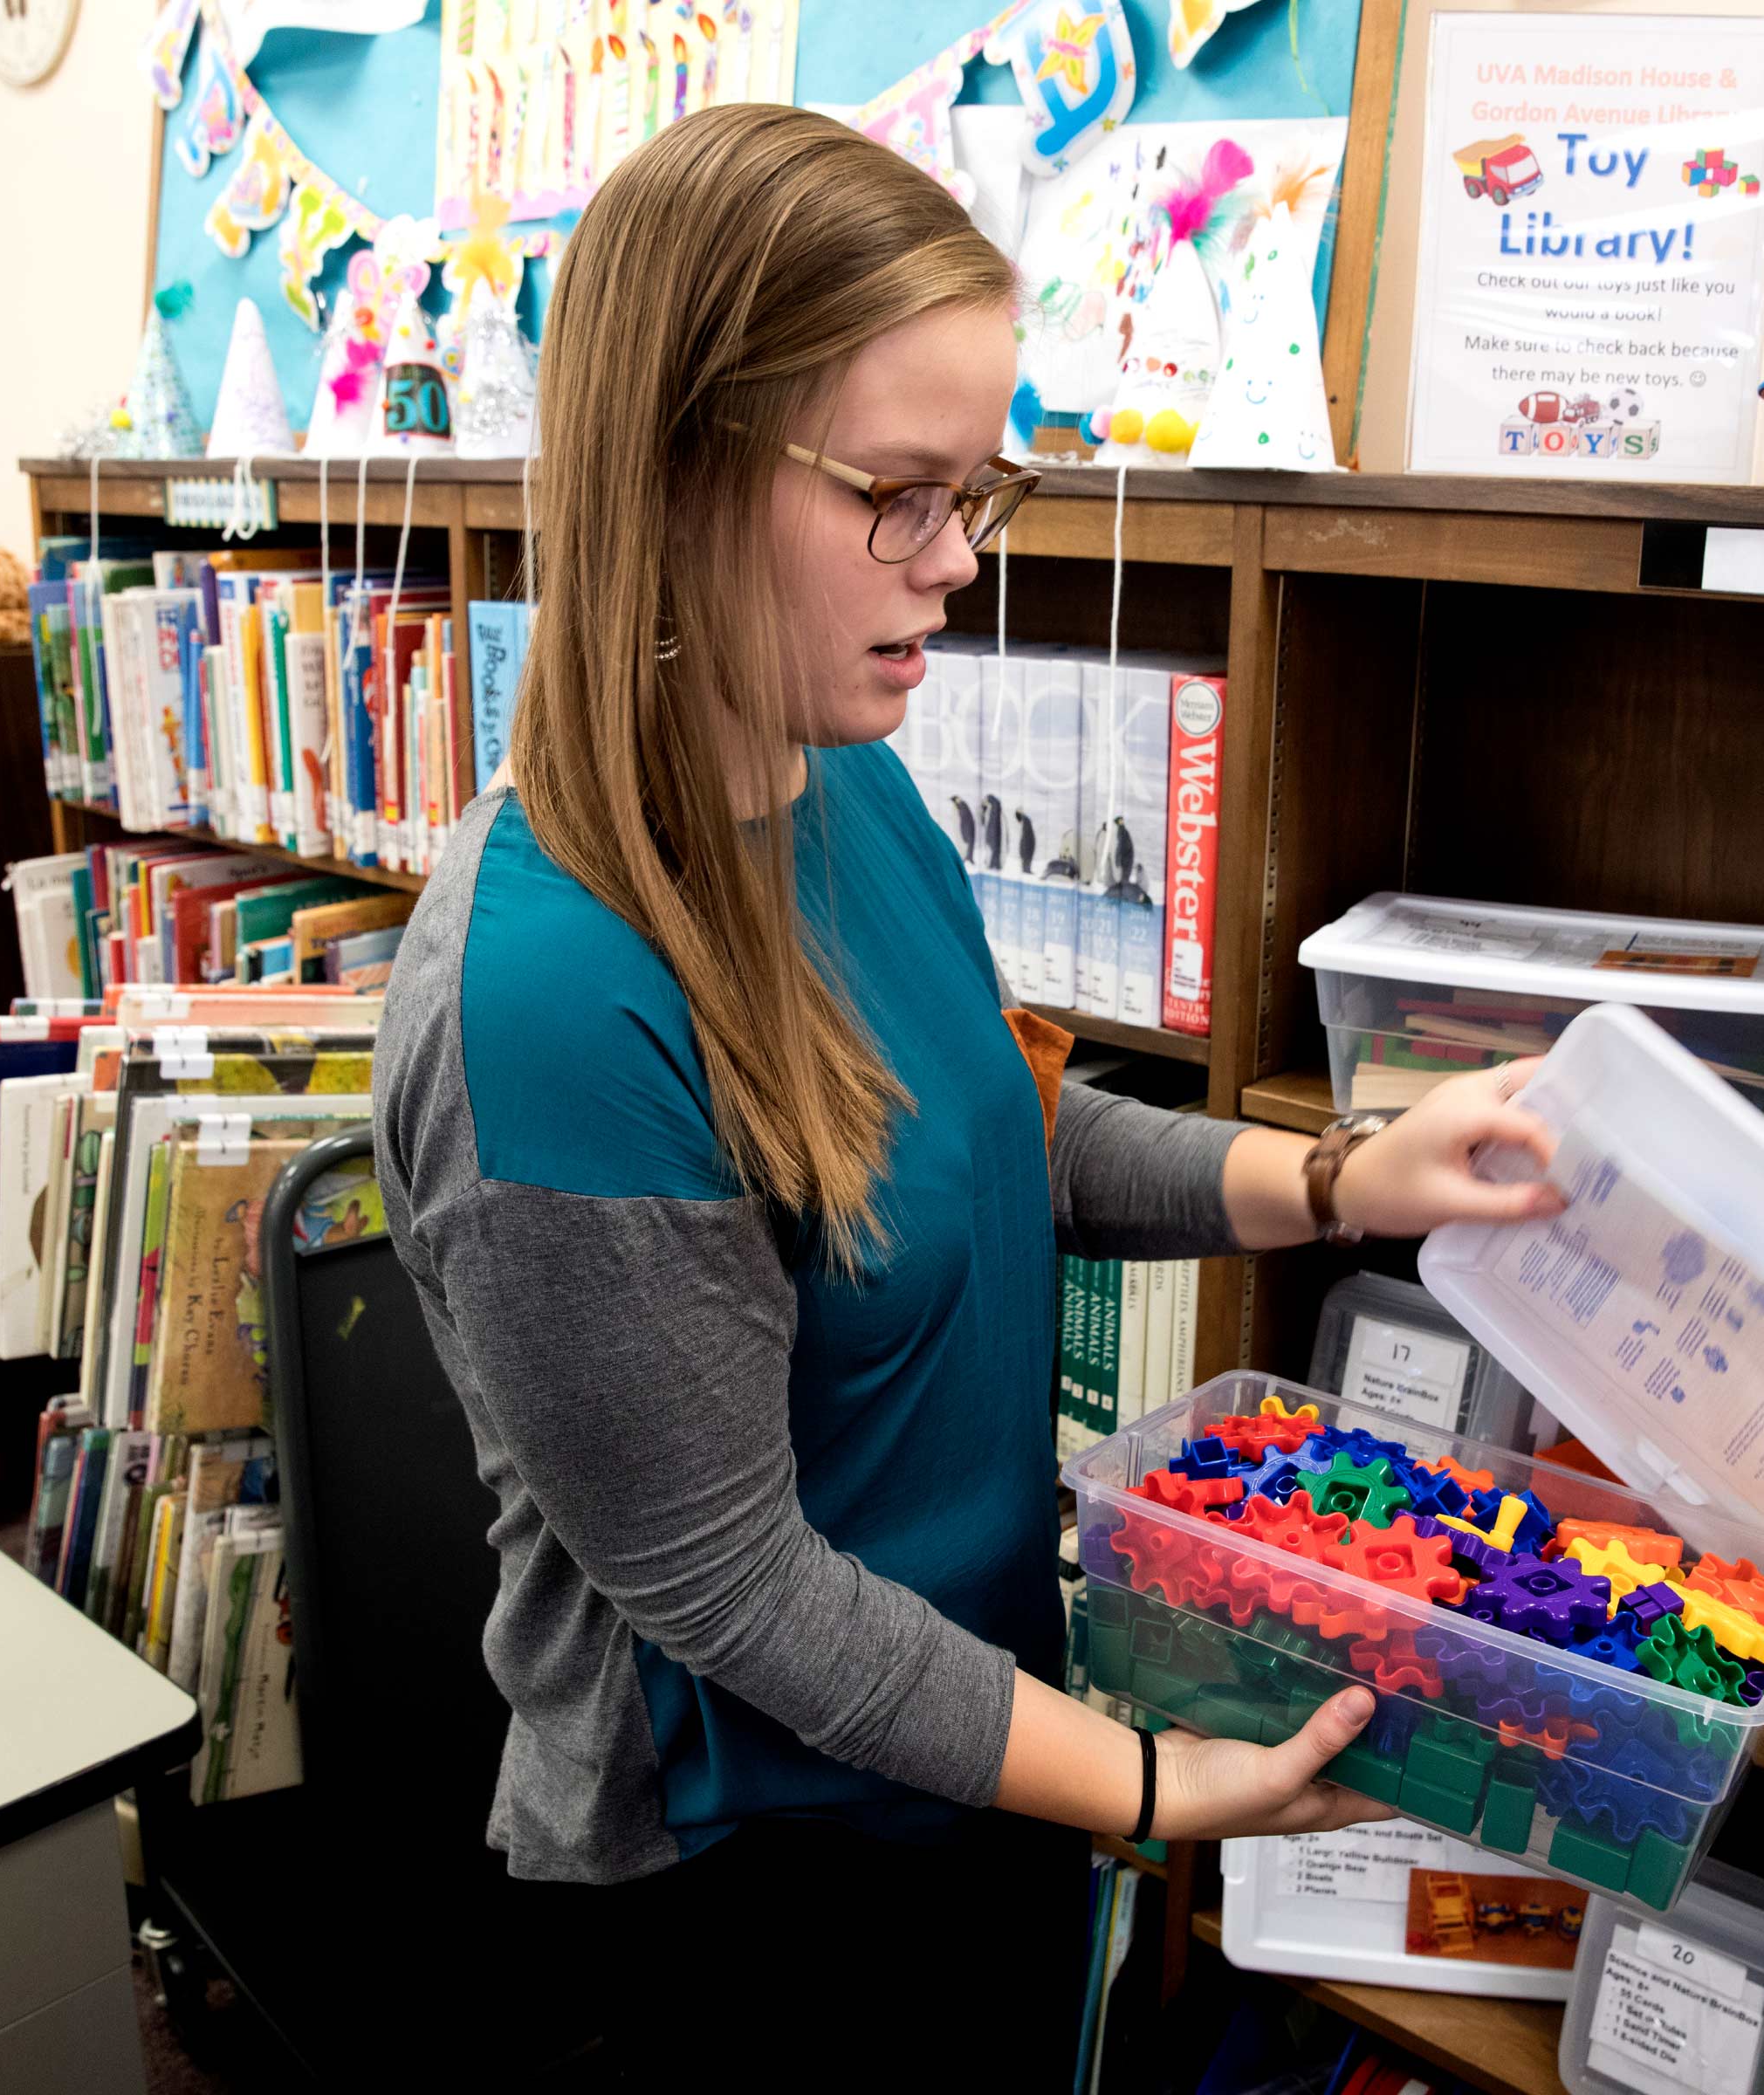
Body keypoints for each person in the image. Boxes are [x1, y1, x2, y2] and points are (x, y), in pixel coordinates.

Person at [374, 103, 1565, 2077]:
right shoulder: (543, 998)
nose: (955, 567)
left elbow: (986, 1134)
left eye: (979, 494)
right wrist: (1156, 1786)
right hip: (748, 1893)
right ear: (677, 468)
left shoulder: (838, 772)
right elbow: (737, 1595)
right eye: (896, 496)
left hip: (975, 1771)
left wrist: (1349, 1178)